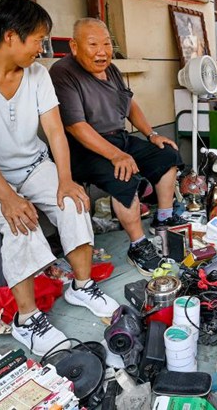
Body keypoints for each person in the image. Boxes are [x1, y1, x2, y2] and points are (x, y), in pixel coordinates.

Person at [0, 0, 119, 356]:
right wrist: (8, 198)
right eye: (38, 39)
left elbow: (55, 130)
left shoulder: (38, 75)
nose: (42, 48)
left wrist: (66, 179)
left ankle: (81, 286)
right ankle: (27, 320)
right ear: (10, 37)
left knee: (73, 202)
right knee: (19, 221)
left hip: (31, 164)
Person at [50, 18, 184, 277]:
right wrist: (117, 155)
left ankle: (164, 218)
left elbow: (130, 105)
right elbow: (76, 127)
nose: (102, 51)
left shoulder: (110, 69)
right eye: (93, 45)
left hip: (118, 138)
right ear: (74, 46)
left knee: (167, 154)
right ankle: (138, 245)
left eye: (106, 44)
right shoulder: (62, 73)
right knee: (124, 176)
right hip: (82, 146)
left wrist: (152, 134)